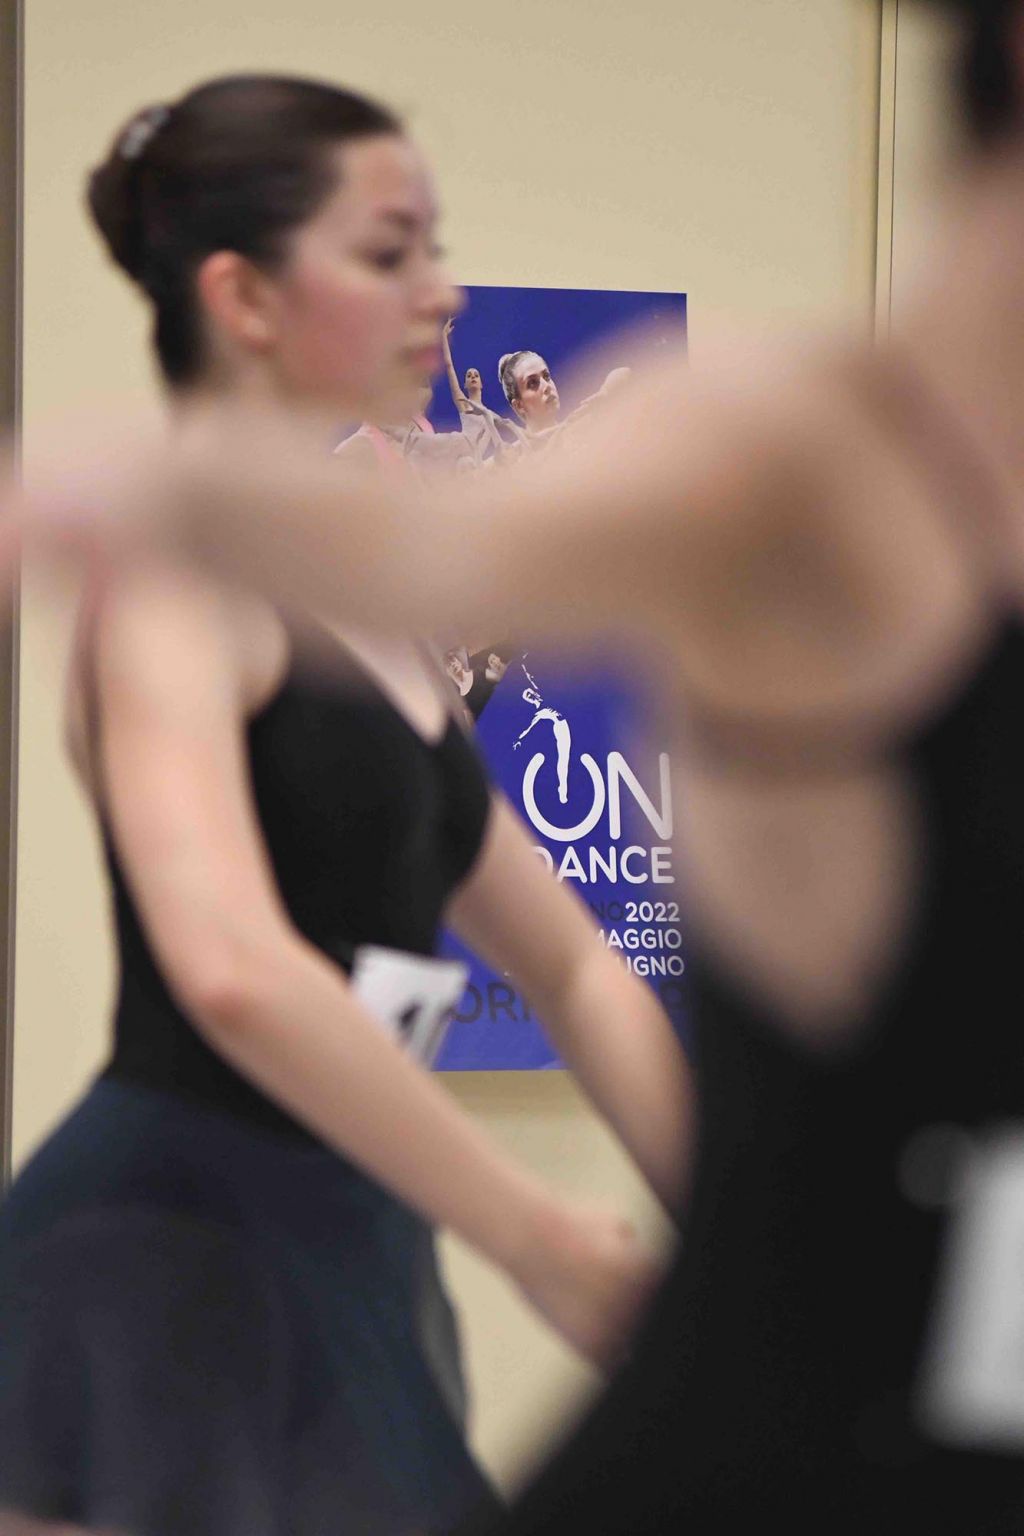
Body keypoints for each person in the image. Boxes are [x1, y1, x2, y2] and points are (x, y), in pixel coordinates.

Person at [0, 74, 695, 1536]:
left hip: (347, 1238)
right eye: (389, 253)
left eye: (435, 247)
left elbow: (570, 962)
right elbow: (235, 971)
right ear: (243, 297)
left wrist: (746, 1232)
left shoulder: (367, 601)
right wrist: (535, 1233)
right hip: (168, 1258)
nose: (441, 295)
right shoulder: (172, 577)